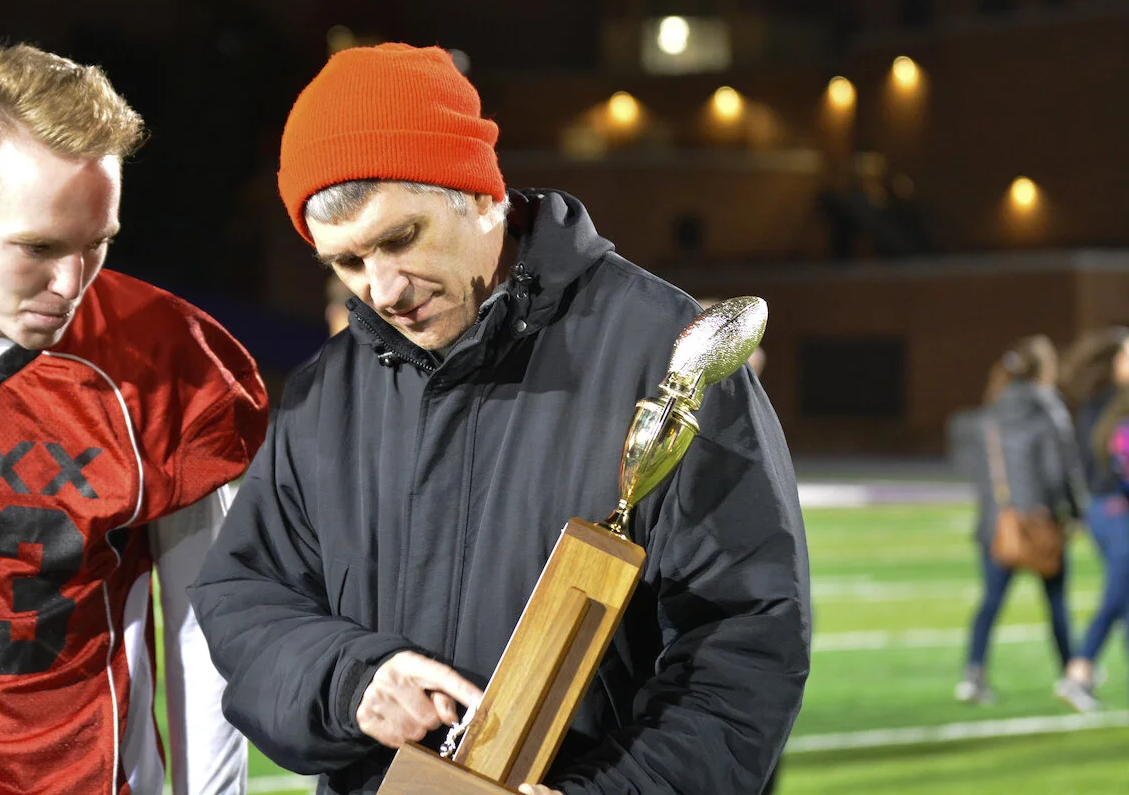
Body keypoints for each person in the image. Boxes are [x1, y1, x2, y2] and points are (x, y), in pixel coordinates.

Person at [189, 43, 810, 795]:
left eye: (400, 238)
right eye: (347, 263)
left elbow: (743, 647)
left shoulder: (662, 358)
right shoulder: (326, 394)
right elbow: (244, 597)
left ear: (480, 194)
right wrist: (351, 679)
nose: (382, 289)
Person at [0, 44, 269, 793]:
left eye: (97, 243)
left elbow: (202, 630)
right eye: (38, 247)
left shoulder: (161, 359)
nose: (71, 282)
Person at [946, 335, 1085, 707]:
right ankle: (1072, 674)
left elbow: (977, 471)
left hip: (997, 523)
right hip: (1039, 521)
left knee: (990, 603)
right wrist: (1074, 512)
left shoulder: (991, 410)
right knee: (1056, 603)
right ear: (1045, 368)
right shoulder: (1049, 408)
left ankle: (973, 675)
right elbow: (1060, 471)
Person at [1058, 327, 1129, 710]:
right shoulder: (1111, 406)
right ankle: (1079, 670)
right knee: (1117, 593)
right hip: (1116, 509)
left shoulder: (1096, 404)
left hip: (1102, 510)